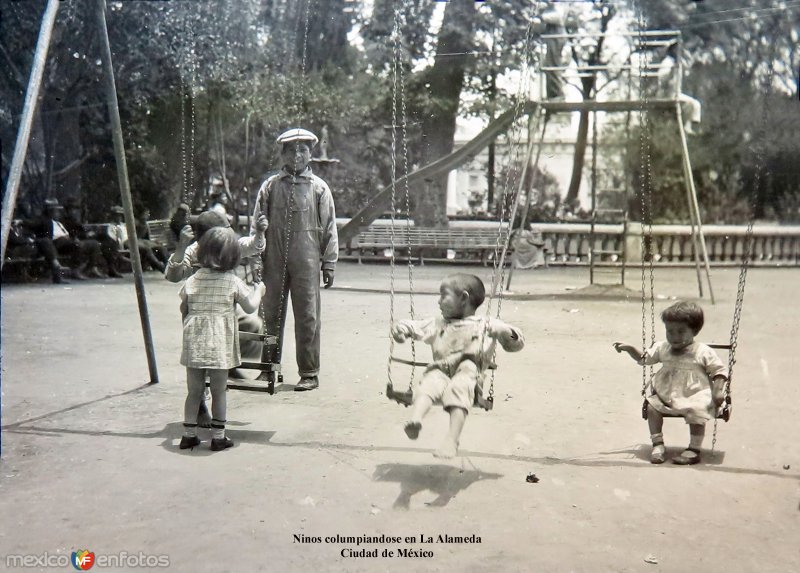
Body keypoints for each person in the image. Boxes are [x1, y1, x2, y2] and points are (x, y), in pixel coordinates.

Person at [391, 273, 525, 459]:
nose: (438, 301)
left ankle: (451, 440)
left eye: (443, 295)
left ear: (463, 298)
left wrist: (507, 332)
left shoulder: (486, 324)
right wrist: (401, 330)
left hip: (468, 371)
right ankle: (415, 419)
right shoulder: (437, 323)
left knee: (459, 386)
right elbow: (414, 326)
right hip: (441, 370)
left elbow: (515, 344)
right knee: (428, 384)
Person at [252, 128, 338, 392]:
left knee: (307, 316)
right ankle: (268, 368)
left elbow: (329, 226)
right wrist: (257, 258)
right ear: (283, 154)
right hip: (273, 258)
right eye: (292, 150)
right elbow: (257, 225)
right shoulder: (269, 186)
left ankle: (309, 372)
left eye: (303, 149)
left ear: (310, 153)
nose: (297, 155)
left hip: (307, 259)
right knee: (269, 315)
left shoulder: (319, 188)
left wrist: (329, 262)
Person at [166, 209, 268, 426]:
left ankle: (224, 363)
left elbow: (252, 246)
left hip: (224, 308)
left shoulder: (227, 242)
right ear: (206, 237)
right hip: (200, 312)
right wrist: (181, 247)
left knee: (253, 325)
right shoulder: (194, 250)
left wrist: (259, 233)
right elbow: (173, 275)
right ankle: (201, 400)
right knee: (198, 363)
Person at [613, 301, 728, 465]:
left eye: (681, 332)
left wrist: (718, 391)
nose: (674, 336)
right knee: (652, 407)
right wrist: (630, 349)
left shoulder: (703, 351)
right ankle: (658, 444)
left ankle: (694, 449)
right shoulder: (662, 347)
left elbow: (719, 371)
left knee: (698, 410)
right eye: (670, 331)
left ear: (694, 331)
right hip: (666, 393)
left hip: (694, 394)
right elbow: (644, 359)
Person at [26, 198, 106, 280]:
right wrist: (21, 222)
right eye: (54, 210)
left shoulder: (59, 222)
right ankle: (75, 271)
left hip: (68, 241)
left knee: (94, 244)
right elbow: (32, 224)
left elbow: (74, 230)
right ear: (48, 210)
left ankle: (90, 268)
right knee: (77, 245)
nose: (56, 212)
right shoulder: (44, 220)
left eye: (56, 210)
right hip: (57, 243)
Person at [108, 206, 166, 273]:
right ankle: (159, 265)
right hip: (124, 243)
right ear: (113, 216)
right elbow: (114, 239)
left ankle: (168, 265)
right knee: (145, 249)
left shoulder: (123, 225)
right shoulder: (111, 227)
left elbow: (135, 231)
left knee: (159, 247)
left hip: (132, 241)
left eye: (120, 216)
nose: (119, 218)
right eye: (117, 216)